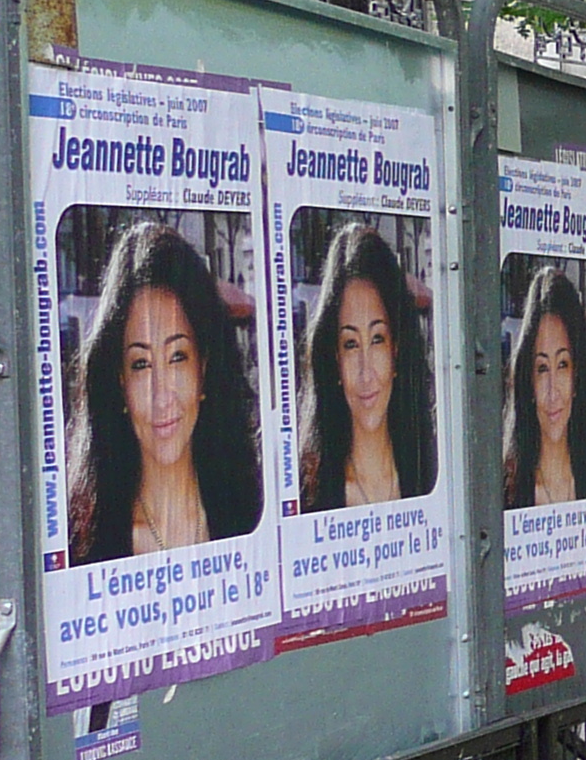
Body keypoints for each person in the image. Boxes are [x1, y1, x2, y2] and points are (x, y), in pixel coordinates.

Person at [68, 219, 267, 560]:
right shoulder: (86, 543)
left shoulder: (255, 513)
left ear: (203, 368)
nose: (162, 397)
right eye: (141, 364)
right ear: (120, 382)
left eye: (177, 357)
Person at [299, 222, 438, 512]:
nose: (366, 373)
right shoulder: (308, 494)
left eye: (377, 339)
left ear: (396, 349)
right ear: (334, 358)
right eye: (350, 344)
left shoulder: (434, 474)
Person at [502, 264, 586, 509]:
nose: (552, 391)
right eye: (541, 368)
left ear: (578, 373)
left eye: (562, 364)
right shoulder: (506, 493)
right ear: (527, 380)